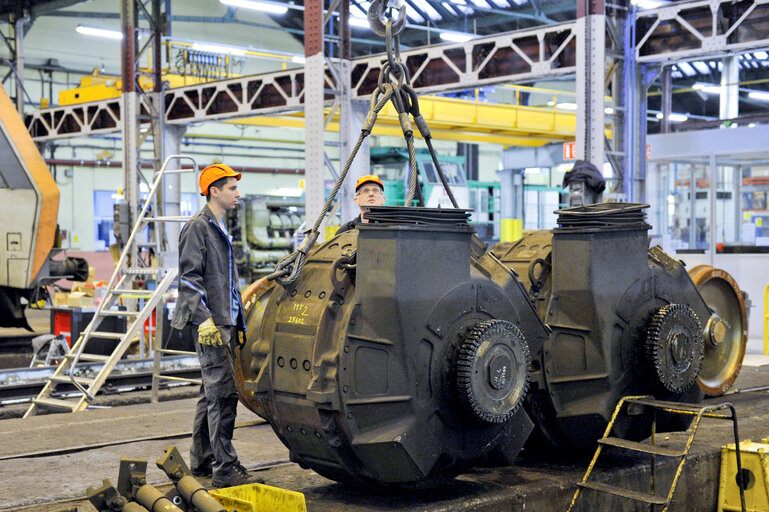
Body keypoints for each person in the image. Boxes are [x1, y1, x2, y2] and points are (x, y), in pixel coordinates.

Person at [171, 163, 260, 488]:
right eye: (232, 188)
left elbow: (227, 280)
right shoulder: (199, 227)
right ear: (214, 191)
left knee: (208, 393)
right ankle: (225, 468)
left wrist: (237, 323)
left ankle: (204, 461)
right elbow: (189, 277)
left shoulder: (219, 226)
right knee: (222, 396)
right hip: (209, 325)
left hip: (223, 322)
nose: (238, 193)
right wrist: (205, 319)